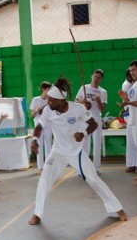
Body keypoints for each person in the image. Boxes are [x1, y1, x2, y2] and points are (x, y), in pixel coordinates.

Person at [28, 76, 127, 225]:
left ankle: (117, 208)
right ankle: (37, 213)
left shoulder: (77, 108)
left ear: (60, 101)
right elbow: (39, 127)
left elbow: (93, 123)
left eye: (51, 100)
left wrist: (84, 134)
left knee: (94, 179)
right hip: (58, 153)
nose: (48, 102)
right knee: (43, 181)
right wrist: (35, 140)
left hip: (76, 153)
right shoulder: (48, 110)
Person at [75, 69, 107, 171]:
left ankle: (96, 168)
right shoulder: (84, 88)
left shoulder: (103, 92)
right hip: (85, 119)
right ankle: (84, 168)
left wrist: (98, 100)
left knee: (97, 143)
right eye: (95, 76)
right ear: (91, 76)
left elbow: (103, 108)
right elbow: (75, 102)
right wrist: (82, 101)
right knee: (84, 144)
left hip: (96, 119)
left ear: (101, 80)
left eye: (98, 77)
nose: (96, 78)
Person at [119, 69, 137, 173]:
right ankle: (134, 164)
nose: (134, 77)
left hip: (132, 114)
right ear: (129, 76)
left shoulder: (131, 84)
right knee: (133, 140)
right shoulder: (127, 85)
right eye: (132, 75)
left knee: (134, 141)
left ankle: (136, 164)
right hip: (130, 114)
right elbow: (130, 101)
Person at [29, 81, 52, 174]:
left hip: (48, 124)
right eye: (48, 89)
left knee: (48, 145)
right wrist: (36, 111)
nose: (49, 91)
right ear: (43, 89)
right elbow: (32, 115)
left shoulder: (51, 100)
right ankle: (40, 167)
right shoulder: (36, 100)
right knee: (39, 145)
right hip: (38, 124)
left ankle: (49, 166)